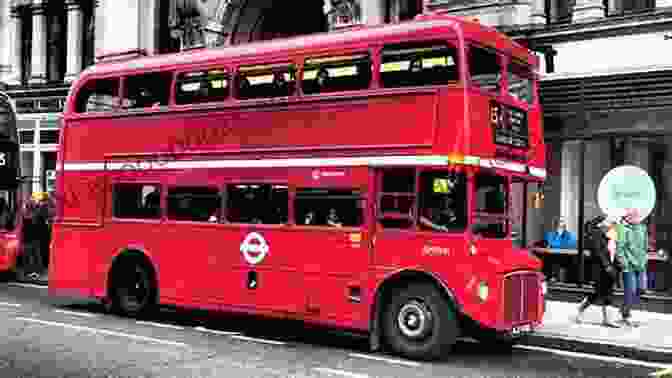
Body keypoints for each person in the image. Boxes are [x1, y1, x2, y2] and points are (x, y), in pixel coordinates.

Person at [574, 216, 621, 327]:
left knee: (602, 293)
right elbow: (599, 252)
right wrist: (607, 266)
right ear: (601, 225)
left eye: (612, 224)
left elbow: (613, 252)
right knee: (605, 293)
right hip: (600, 268)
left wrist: (617, 264)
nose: (611, 226)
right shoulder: (596, 235)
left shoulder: (610, 235)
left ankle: (584, 308)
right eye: (609, 224)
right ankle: (607, 319)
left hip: (610, 268)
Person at [616, 208, 648, 327]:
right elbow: (620, 249)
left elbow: (645, 246)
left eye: (638, 216)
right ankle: (626, 315)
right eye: (634, 216)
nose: (637, 218)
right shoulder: (622, 229)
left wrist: (645, 259)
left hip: (641, 265)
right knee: (631, 291)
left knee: (642, 288)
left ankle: (624, 309)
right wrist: (624, 263)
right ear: (628, 217)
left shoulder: (642, 228)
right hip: (628, 266)